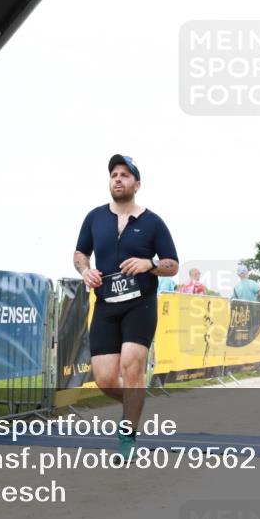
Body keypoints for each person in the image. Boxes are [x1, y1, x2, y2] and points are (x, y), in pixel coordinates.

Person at [74, 154, 179, 456]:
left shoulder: (153, 222)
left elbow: (172, 265)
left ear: (137, 183)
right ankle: (136, 404)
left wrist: (149, 264)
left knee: (131, 368)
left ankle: (127, 437)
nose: (117, 179)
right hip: (106, 304)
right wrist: (85, 271)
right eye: (113, 174)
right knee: (105, 378)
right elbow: (80, 254)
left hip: (140, 304)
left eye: (124, 174)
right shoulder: (95, 217)